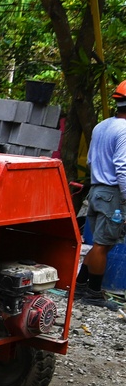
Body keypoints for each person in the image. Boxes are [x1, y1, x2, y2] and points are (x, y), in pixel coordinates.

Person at [75, 80, 126, 309]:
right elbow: (122, 166)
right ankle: (94, 293)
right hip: (111, 193)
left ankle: (81, 285)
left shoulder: (102, 126)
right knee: (103, 245)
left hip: (96, 189)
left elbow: (90, 160)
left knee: (98, 243)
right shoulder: (124, 131)